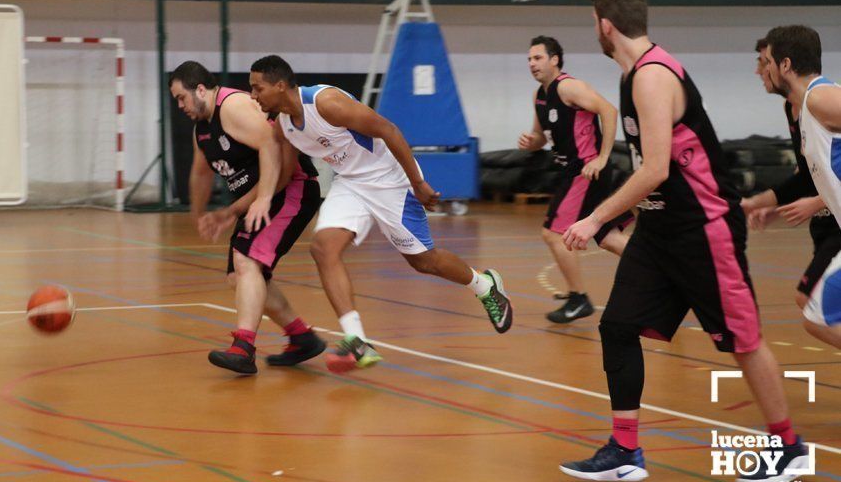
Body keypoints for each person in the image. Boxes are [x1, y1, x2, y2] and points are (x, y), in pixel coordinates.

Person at [559, 0, 806, 482]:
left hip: (703, 228)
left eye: (593, 25)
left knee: (742, 339)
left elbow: (654, 170)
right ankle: (625, 450)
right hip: (660, 229)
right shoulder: (634, 75)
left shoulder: (652, 77)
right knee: (618, 326)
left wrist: (596, 218)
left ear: (606, 25)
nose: (595, 32)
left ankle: (789, 447)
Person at [247, 55, 513, 373]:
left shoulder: (327, 103)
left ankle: (485, 286)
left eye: (256, 88)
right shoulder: (284, 126)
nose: (253, 96)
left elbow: (388, 129)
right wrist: (246, 205)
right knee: (323, 248)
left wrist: (418, 182)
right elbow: (285, 172)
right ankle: (357, 340)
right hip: (351, 183)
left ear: (279, 86)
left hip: (390, 180)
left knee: (423, 261)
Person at [169, 61, 326, 375]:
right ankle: (301, 337)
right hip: (260, 196)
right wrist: (199, 214)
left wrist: (263, 199)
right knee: (238, 278)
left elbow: (270, 145)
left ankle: (243, 347)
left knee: (246, 261)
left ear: (200, 89)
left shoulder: (233, 106)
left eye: (181, 97)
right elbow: (201, 173)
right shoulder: (203, 129)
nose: (180, 105)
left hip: (290, 187)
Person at [518, 35, 633, 323]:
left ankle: (578, 298)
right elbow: (541, 137)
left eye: (538, 57)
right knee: (607, 237)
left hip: (586, 170)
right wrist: (530, 141)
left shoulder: (569, 87)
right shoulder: (540, 96)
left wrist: (603, 157)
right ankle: (664, 273)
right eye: (529, 59)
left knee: (553, 233)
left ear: (555, 59)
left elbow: (609, 110)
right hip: (573, 170)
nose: (532, 63)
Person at [742, 37, 840, 345]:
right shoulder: (802, 107)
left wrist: (817, 201)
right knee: (816, 313)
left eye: (766, 62)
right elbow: (809, 175)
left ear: (785, 65)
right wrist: (766, 204)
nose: (761, 71)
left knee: (818, 315)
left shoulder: (820, 98)